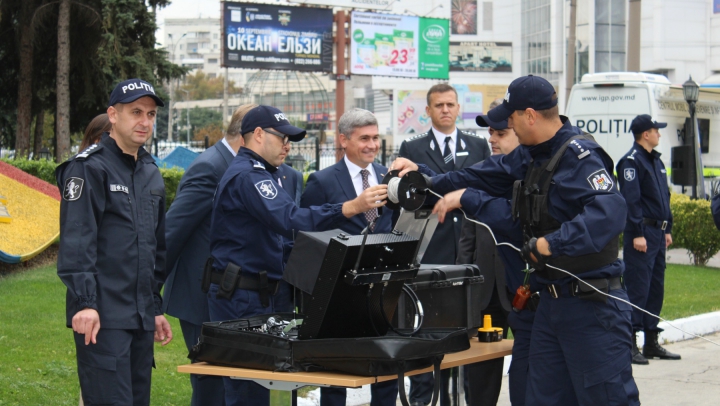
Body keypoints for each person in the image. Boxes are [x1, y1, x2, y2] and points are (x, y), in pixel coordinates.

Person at [392, 75, 639, 405]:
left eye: (511, 118)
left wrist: (552, 244)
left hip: (591, 308)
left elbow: (609, 211)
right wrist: (424, 180)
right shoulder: (532, 155)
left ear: (530, 116)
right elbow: (476, 176)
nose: (507, 124)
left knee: (606, 399)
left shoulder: (580, 157)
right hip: (550, 305)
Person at [208, 105, 387, 406]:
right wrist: (349, 207)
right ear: (259, 135)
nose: (288, 146)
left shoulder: (268, 174)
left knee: (278, 387)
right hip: (242, 295)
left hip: (264, 292)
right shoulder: (248, 176)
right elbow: (290, 220)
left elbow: (285, 240)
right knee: (249, 392)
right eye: (283, 138)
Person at [56, 78, 173, 406]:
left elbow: (154, 247)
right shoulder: (88, 168)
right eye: (136, 112)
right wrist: (85, 303)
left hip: (138, 317)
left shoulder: (150, 171)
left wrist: (154, 306)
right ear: (112, 115)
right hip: (102, 317)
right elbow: (78, 242)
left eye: (150, 114)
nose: (144, 121)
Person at [398, 83, 490, 406]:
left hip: (468, 251)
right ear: (428, 111)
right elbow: (410, 198)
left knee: (466, 336)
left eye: (451, 104)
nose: (446, 110)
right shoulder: (413, 148)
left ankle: (463, 397)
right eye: (439, 105)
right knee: (428, 334)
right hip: (432, 250)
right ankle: (426, 399)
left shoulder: (478, 147)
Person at [162, 103, 260, 406]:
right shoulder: (210, 167)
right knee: (212, 388)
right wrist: (148, 291)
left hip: (234, 295)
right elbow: (171, 232)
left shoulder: (243, 167)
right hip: (201, 298)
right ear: (249, 137)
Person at [301, 108, 398, 406]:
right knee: (337, 366)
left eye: (375, 138)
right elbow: (307, 231)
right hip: (339, 289)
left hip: (382, 287)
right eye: (364, 138)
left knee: (387, 362)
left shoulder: (389, 176)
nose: (372, 145)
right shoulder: (322, 181)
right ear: (343, 140)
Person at [459, 100, 537, 406]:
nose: (492, 138)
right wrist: (462, 290)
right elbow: (467, 240)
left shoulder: (536, 177)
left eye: (500, 132)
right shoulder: (478, 174)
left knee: (529, 371)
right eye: (490, 132)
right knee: (480, 377)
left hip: (524, 291)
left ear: (520, 131)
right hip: (483, 292)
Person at [616, 114, 680, 365]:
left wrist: (667, 229)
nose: (659, 134)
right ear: (645, 134)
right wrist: (639, 234)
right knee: (638, 288)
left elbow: (664, 198)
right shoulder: (631, 162)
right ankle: (630, 343)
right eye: (656, 130)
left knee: (655, 288)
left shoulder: (655, 162)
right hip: (641, 234)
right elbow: (631, 202)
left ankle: (651, 342)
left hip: (657, 234)